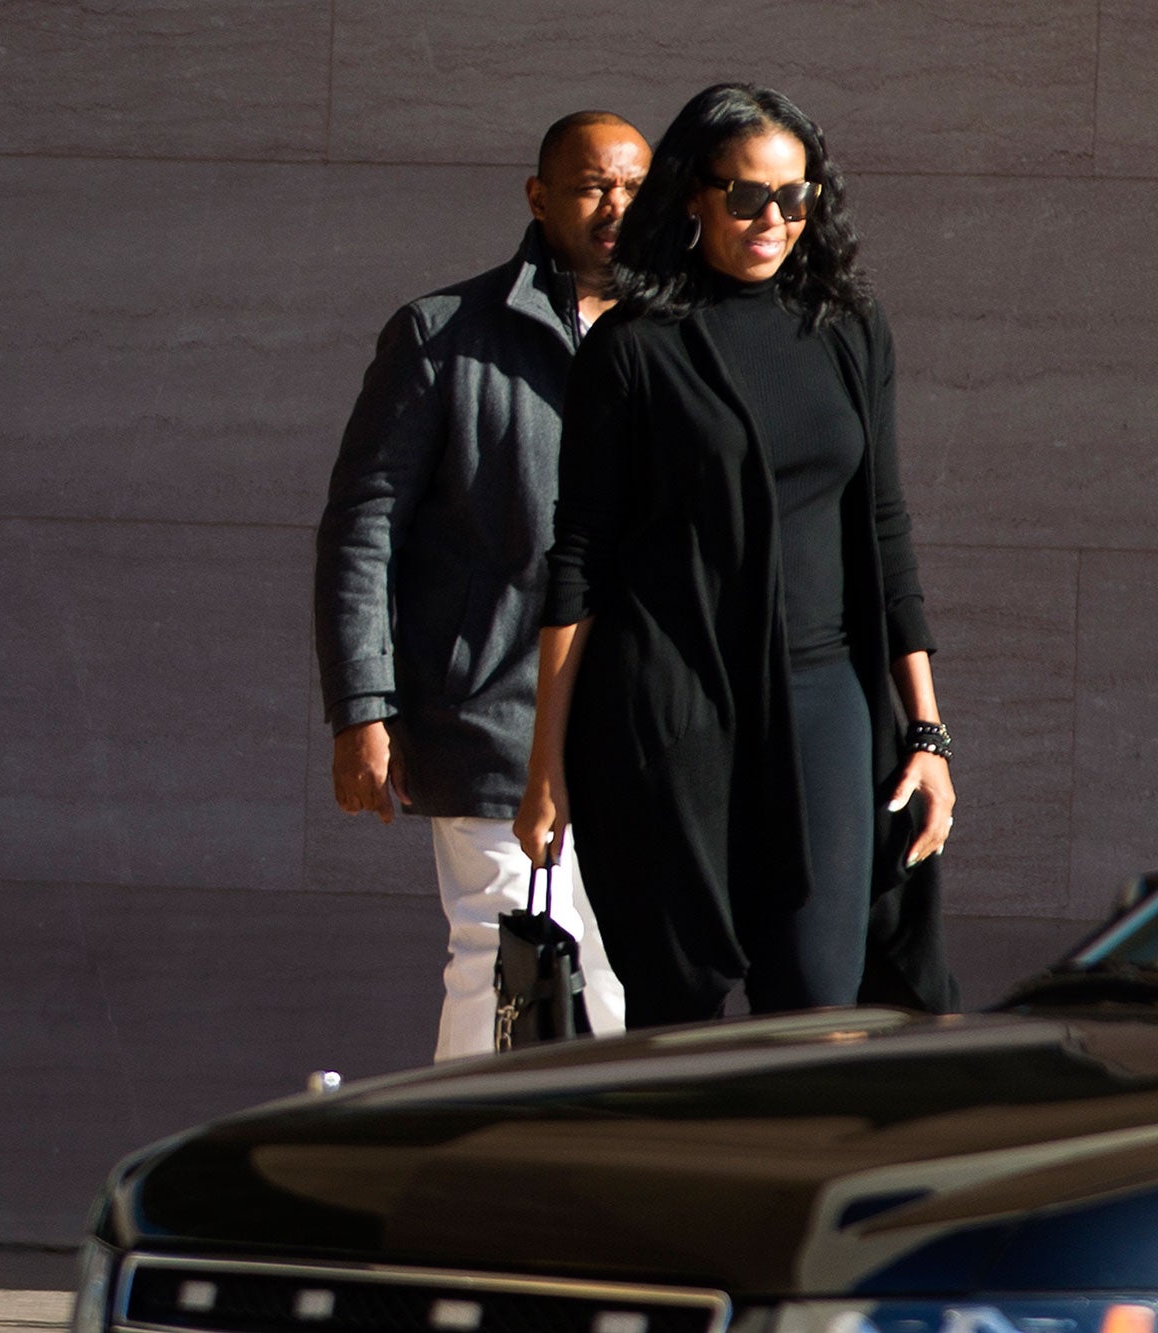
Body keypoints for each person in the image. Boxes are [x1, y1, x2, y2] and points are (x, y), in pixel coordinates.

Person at [515, 83, 958, 1029]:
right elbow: (579, 558)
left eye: (796, 197)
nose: (774, 220)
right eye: (748, 195)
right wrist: (546, 759)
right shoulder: (632, 349)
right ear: (693, 194)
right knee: (679, 1007)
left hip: (823, 699)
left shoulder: (849, 328)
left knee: (819, 999)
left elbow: (885, 526)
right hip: (674, 708)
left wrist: (926, 732)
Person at [315, 112, 651, 1059]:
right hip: (491, 713)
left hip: (640, 720)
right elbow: (362, 529)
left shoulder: (680, 336)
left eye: (636, 188)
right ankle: (463, 1145)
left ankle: (589, 1149)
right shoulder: (445, 335)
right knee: (504, 959)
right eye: (592, 186)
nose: (617, 207)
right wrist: (362, 708)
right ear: (539, 197)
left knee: (617, 975)